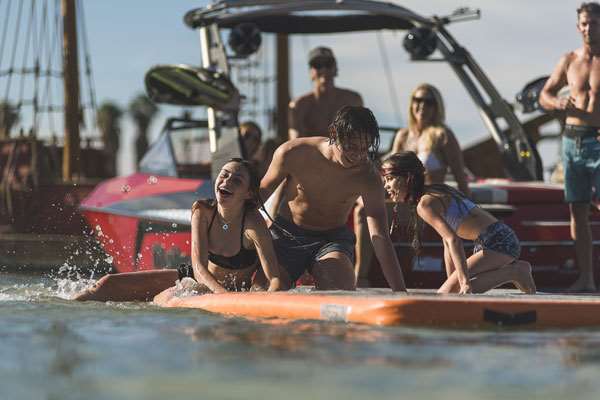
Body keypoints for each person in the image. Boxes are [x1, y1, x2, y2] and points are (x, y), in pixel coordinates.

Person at [74, 158, 283, 302]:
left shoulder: (253, 223)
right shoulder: (202, 211)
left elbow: (273, 277)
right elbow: (198, 269)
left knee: (163, 299)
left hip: (233, 292)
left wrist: (266, 300)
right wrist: (223, 296)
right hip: (197, 281)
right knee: (105, 285)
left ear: (248, 194)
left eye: (237, 180)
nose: (226, 181)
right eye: (224, 174)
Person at [260, 105, 406, 291]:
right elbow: (259, 194)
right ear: (333, 133)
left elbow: (380, 236)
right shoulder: (294, 152)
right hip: (286, 233)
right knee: (267, 288)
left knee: (340, 287)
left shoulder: (368, 177)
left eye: (364, 149)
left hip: (331, 238)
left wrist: (400, 290)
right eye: (351, 146)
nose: (357, 156)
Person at [381, 151, 536, 294]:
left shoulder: (425, 205)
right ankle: (516, 271)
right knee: (450, 291)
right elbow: (447, 242)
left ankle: (515, 272)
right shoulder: (436, 190)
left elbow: (453, 240)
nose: (385, 186)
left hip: (497, 241)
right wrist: (452, 279)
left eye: (389, 179)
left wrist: (464, 282)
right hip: (497, 238)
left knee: (449, 292)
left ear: (408, 177)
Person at [539, 2, 600, 292]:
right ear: (578, 27)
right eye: (584, 24)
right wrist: (556, 102)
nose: (588, 28)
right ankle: (586, 279)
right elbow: (544, 94)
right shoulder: (569, 60)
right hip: (572, 141)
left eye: (594, 23)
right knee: (578, 210)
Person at [390, 83, 470, 195]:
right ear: (412, 103)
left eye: (429, 102)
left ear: (437, 107)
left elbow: (460, 176)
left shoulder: (442, 136)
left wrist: (468, 204)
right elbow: (390, 173)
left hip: (431, 199)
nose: (422, 105)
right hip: (404, 199)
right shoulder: (402, 136)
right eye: (418, 100)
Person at [288, 46, 363, 140]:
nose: (323, 69)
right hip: (310, 150)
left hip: (347, 150)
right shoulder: (299, 105)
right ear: (310, 72)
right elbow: (296, 142)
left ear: (335, 69)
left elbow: (360, 137)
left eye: (328, 64)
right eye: (317, 65)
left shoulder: (353, 100)